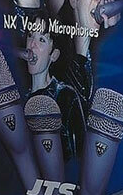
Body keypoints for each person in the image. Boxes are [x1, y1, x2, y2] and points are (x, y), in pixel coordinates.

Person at [24, 11, 85, 162]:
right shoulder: (20, 98)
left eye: (41, 40)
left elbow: (81, 153)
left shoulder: (66, 96)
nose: (32, 45)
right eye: (30, 36)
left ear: (54, 55)